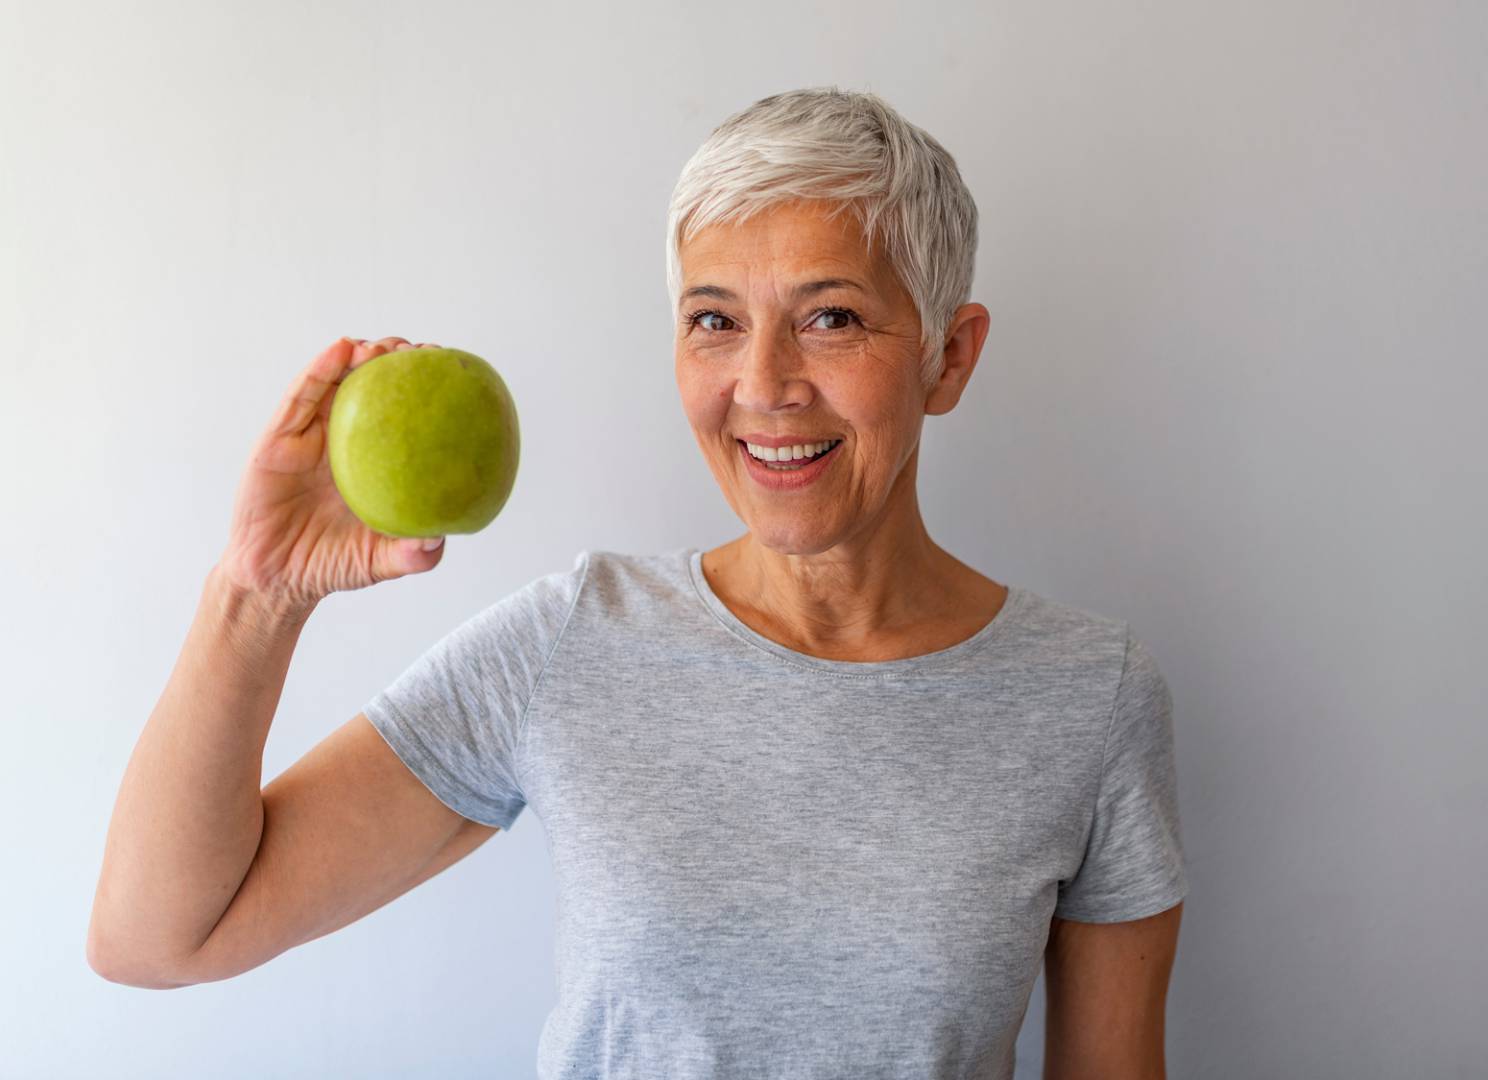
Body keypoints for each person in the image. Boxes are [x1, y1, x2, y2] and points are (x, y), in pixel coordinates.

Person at [88, 86, 1187, 1079]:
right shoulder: (576, 639)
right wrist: (258, 593)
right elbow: (158, 937)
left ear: (950, 355)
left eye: (832, 318)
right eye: (715, 320)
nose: (764, 387)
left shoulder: (1088, 696)